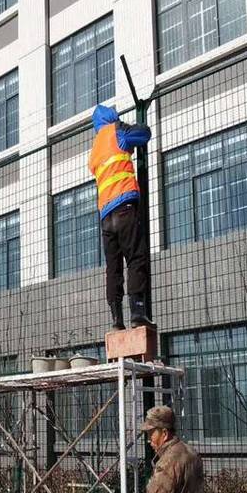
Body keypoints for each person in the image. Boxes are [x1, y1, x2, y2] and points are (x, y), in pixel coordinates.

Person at [89, 104, 153, 330]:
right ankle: (138, 312)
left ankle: (117, 320)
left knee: (113, 268)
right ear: (112, 117)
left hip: (105, 216)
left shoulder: (95, 149)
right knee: (136, 258)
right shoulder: (116, 131)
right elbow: (143, 134)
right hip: (124, 205)